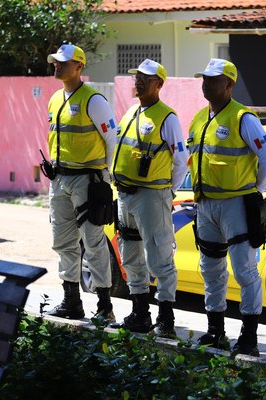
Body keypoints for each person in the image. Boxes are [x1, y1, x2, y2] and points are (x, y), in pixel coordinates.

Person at [188, 58, 266, 356]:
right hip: (206, 205)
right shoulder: (200, 118)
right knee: (210, 269)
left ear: (229, 85)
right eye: (204, 78)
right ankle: (215, 331)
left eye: (212, 80)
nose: (205, 83)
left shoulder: (243, 118)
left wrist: (254, 192)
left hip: (236, 206)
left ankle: (249, 337)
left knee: (244, 271)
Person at [109, 59, 188, 338]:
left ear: (159, 85)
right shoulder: (131, 112)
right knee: (130, 255)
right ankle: (139, 313)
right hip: (126, 195)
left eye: (146, 78)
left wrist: (168, 192)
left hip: (152, 197)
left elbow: (181, 160)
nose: (139, 81)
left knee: (160, 257)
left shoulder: (167, 117)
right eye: (137, 77)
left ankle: (165, 319)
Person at [44, 43, 117, 322]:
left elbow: (112, 140)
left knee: (93, 241)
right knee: (63, 242)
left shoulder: (93, 100)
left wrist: (105, 176)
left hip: (88, 181)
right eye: (55, 62)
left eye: (62, 62)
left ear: (79, 66)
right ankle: (72, 301)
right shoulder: (54, 99)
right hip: (60, 179)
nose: (57, 65)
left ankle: (104, 306)